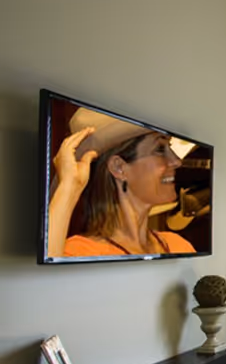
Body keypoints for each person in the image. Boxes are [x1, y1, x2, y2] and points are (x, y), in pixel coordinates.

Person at [47, 107, 196, 257]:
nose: (177, 161)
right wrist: (68, 188)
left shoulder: (178, 246)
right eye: (160, 149)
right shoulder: (80, 252)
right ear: (118, 167)